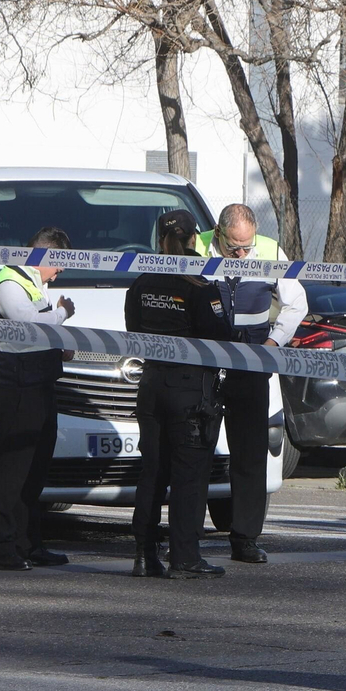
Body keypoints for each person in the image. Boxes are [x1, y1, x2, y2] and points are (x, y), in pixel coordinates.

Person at [124, 210, 234, 579]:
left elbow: (133, 330)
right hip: (190, 391)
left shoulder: (141, 282)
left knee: (152, 472)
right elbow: (221, 336)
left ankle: (143, 554)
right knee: (190, 474)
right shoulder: (197, 284)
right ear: (193, 239)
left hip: (151, 385)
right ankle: (185, 556)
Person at [197, 203, 307, 563]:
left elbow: (296, 304)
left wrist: (274, 343)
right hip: (206, 364)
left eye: (246, 247)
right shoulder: (196, 247)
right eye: (234, 248)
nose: (242, 254)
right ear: (218, 234)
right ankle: (188, 535)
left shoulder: (271, 249)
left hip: (252, 362)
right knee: (196, 451)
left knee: (249, 454)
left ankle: (245, 537)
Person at [0, 228, 77, 571]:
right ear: (47, 255)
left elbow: (42, 333)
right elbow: (29, 324)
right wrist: (64, 313)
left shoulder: (36, 284)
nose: (61, 271)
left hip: (40, 382)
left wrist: (60, 345)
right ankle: (1, 547)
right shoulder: (9, 282)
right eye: (60, 263)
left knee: (34, 470)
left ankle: (28, 543)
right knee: (11, 469)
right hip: (16, 385)